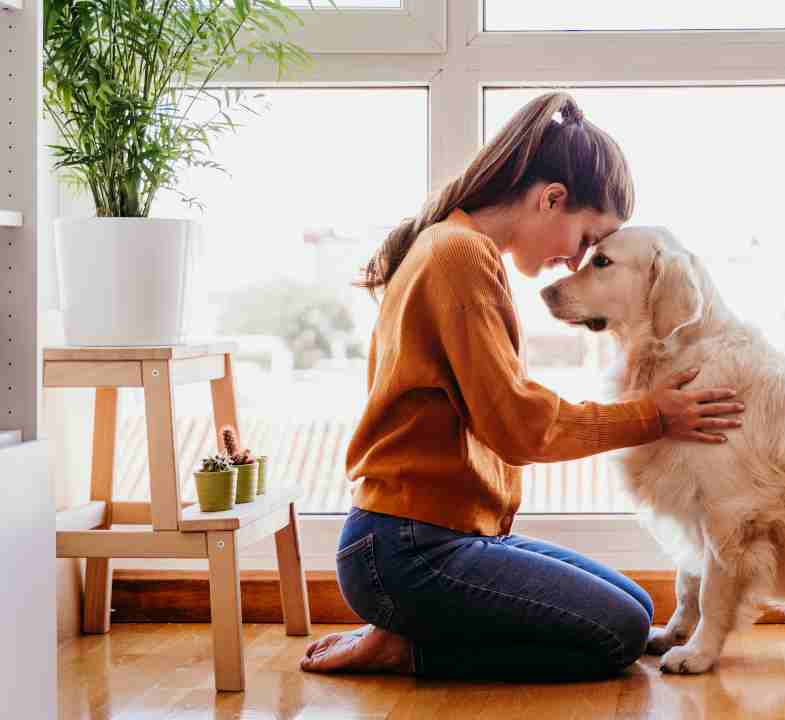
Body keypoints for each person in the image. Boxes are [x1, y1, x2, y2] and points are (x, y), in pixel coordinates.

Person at [299, 91, 744, 680]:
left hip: (439, 538)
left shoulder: (456, 247)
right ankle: (410, 647)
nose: (574, 262)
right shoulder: (458, 256)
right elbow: (519, 427)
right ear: (551, 198)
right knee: (618, 634)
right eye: (585, 240)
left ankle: (412, 627)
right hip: (406, 551)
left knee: (637, 609)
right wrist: (653, 416)